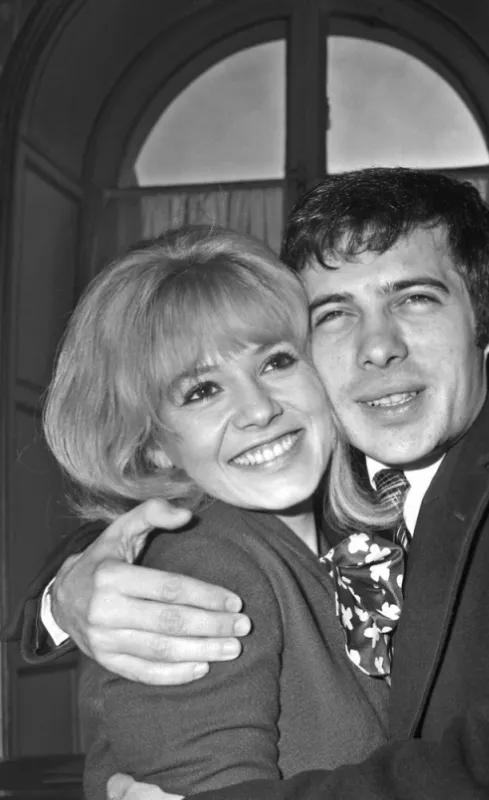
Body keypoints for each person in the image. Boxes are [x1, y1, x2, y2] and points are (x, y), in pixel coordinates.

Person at [3, 168, 489, 799]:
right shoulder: (258, 505)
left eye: (413, 299)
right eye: (336, 314)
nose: (378, 347)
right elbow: (177, 536)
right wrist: (64, 598)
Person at [35, 225, 404, 797]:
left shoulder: (367, 524)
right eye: (202, 391)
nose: (258, 409)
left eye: (277, 362)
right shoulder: (201, 565)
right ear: (154, 442)